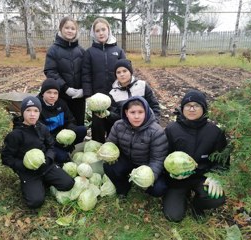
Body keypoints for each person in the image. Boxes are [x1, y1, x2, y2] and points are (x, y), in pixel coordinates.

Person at [162, 90, 229, 222]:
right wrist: (170, 174)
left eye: (196, 105)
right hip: (178, 180)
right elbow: (163, 156)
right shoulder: (171, 130)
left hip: (202, 178)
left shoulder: (215, 132)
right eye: (188, 105)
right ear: (182, 108)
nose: (192, 109)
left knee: (217, 198)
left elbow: (222, 161)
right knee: (173, 216)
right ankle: (182, 195)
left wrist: (215, 176)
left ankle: (196, 205)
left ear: (203, 109)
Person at [1, 96, 75, 209]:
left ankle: (43, 181)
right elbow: (6, 158)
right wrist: (24, 165)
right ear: (22, 112)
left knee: (68, 184)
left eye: (36, 111)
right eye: (28, 110)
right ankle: (32, 184)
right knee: (35, 202)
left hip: (46, 166)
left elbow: (51, 146)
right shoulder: (15, 135)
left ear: (39, 113)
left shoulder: (43, 128)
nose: (32, 114)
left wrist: (49, 159)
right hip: (28, 172)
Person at [103, 96, 168, 198]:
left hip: (146, 165)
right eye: (132, 112)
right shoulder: (118, 126)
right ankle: (123, 187)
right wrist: (107, 154)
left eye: (140, 112)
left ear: (146, 112)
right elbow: (111, 144)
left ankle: (146, 189)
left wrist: (149, 177)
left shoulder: (156, 131)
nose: (136, 116)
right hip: (127, 161)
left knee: (159, 189)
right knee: (108, 166)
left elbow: (158, 159)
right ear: (126, 113)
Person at [82, 17, 126, 143]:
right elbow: (86, 75)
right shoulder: (89, 53)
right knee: (98, 128)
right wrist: (88, 95)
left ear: (109, 31)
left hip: (115, 98)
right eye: (97, 30)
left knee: (115, 126)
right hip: (98, 100)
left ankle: (113, 151)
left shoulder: (118, 51)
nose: (101, 33)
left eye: (103, 29)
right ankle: (98, 151)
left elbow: (126, 72)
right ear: (93, 33)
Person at [97, 59, 161, 132]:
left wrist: (155, 124)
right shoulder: (113, 93)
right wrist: (108, 114)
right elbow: (117, 116)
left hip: (147, 127)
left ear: (130, 72)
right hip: (126, 131)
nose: (122, 74)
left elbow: (155, 106)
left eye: (125, 71)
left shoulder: (142, 86)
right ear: (116, 75)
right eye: (118, 72)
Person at [43, 16, 85, 125]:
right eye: (67, 28)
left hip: (79, 98)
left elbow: (86, 72)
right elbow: (50, 71)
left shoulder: (81, 51)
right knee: (65, 125)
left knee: (79, 124)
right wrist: (65, 88)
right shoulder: (53, 50)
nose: (70, 31)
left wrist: (83, 90)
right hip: (62, 96)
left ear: (76, 31)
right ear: (61, 29)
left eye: (73, 28)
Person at [37, 78, 87, 165]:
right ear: (43, 93)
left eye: (55, 93)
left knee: (82, 130)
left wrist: (70, 134)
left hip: (63, 134)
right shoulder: (38, 107)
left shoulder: (61, 103)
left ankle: (69, 147)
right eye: (49, 92)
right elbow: (42, 134)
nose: (52, 96)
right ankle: (62, 151)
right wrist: (58, 142)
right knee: (63, 157)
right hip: (50, 140)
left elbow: (70, 120)